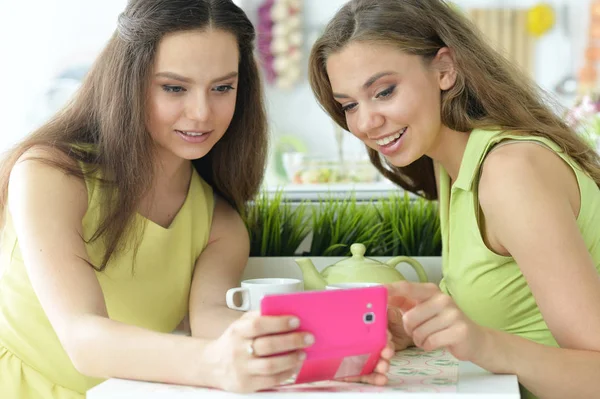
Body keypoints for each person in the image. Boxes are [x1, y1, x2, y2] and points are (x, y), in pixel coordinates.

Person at [0, 0, 394, 397]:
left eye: (223, 88)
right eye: (174, 87)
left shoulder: (219, 222)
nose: (202, 112)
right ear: (128, 82)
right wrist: (215, 364)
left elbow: (213, 322)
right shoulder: (50, 174)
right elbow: (81, 336)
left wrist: (324, 352)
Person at [308, 0, 600, 398]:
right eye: (349, 105)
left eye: (384, 91)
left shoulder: (510, 173)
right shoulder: (454, 167)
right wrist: (418, 330)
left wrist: (483, 344)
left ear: (445, 69)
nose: (364, 122)